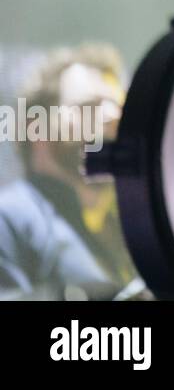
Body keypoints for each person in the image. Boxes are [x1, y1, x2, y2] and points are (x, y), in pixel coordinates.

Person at [0, 44, 136, 298]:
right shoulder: (8, 218)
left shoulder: (127, 227)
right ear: (37, 128)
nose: (112, 117)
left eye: (117, 106)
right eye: (90, 106)